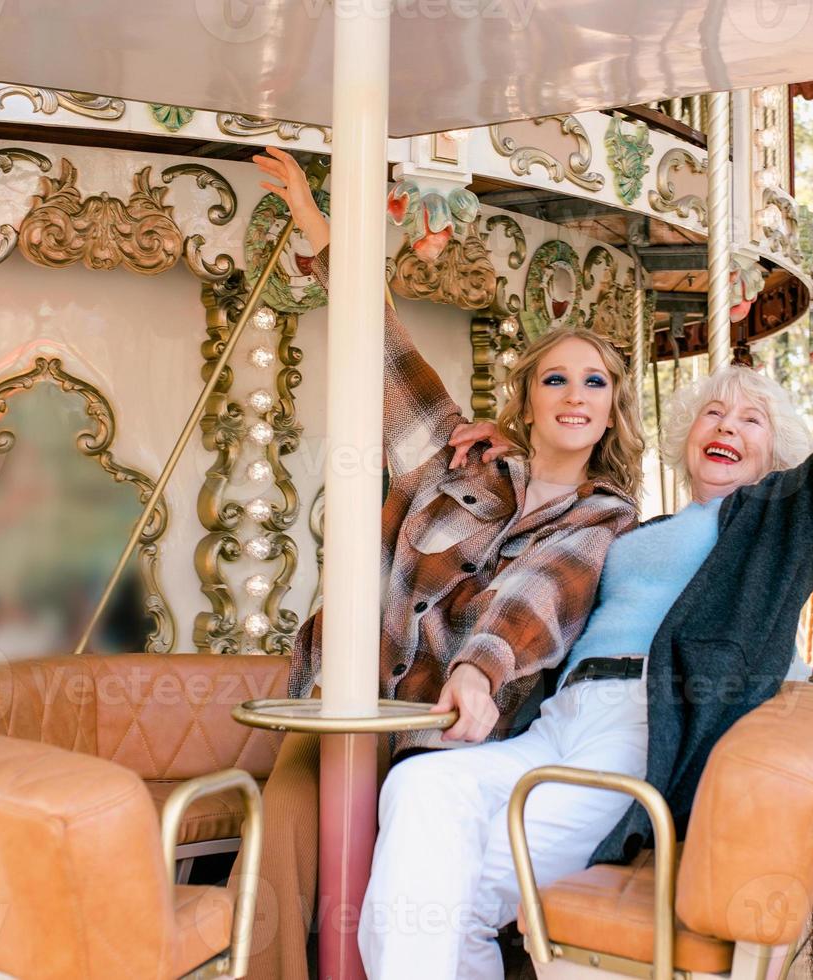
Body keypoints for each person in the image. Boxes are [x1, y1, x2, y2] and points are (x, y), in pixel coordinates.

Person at [359, 160, 813, 979]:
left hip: (638, 731)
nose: (726, 425)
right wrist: (514, 439)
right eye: (712, 412)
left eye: (751, 419)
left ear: (780, 452)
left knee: (475, 893)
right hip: (554, 722)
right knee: (416, 794)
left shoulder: (779, 517)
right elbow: (533, 564)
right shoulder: (623, 523)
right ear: (686, 436)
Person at [239, 147, 645, 980]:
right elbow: (382, 351)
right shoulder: (452, 462)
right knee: (282, 836)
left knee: (410, 875)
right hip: (350, 700)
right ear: (526, 396)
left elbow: (534, 600)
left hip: (444, 729)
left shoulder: (604, 517)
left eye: (595, 383)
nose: (575, 395)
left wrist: (478, 673)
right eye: (558, 379)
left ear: (611, 410)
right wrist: (327, 239)